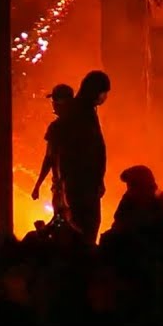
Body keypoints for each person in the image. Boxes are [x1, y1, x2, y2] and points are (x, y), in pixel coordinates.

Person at [56, 70, 110, 246]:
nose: (104, 97)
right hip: (82, 183)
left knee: (87, 224)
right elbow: (81, 150)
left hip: (86, 182)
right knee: (85, 225)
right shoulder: (80, 113)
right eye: (104, 92)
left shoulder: (84, 111)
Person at [31, 84, 74, 220]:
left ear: (60, 102)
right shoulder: (83, 124)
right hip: (80, 186)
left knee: (61, 221)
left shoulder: (56, 127)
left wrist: (38, 185)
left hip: (62, 186)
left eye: (54, 101)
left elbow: (49, 158)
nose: (52, 105)